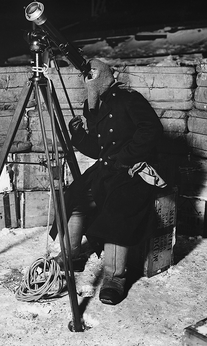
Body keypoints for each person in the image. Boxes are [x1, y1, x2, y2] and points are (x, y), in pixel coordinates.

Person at [55, 58, 165, 305]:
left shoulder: (130, 99)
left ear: (104, 76)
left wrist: (125, 158)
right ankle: (71, 255)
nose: (89, 82)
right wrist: (80, 135)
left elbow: (152, 131)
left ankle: (115, 278)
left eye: (93, 77)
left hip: (133, 171)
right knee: (75, 195)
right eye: (87, 79)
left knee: (119, 208)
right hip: (107, 170)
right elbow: (98, 150)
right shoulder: (93, 107)